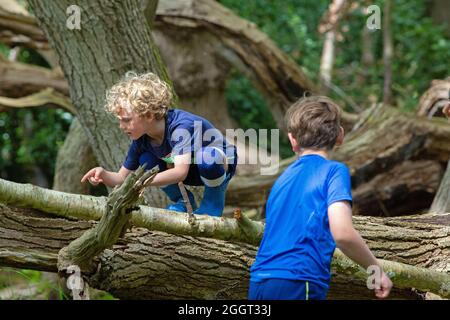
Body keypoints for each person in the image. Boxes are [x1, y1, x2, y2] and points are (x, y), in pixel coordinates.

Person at [248, 96, 392, 300]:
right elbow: (342, 233)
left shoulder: (282, 179)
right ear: (340, 136)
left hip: (259, 282)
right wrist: (376, 271)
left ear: (292, 140)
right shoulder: (334, 171)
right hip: (299, 280)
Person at [81, 72, 237, 217]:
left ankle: (212, 204)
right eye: (120, 121)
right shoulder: (142, 140)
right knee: (146, 160)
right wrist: (103, 174)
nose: (121, 126)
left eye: (126, 120)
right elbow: (121, 177)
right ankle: (183, 201)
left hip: (219, 164)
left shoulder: (181, 127)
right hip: (192, 168)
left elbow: (180, 172)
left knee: (208, 158)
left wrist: (142, 182)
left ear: (148, 115)